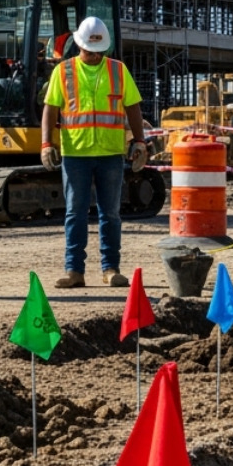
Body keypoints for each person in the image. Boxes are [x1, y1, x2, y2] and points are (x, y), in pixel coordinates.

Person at [40, 16, 149, 289]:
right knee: (75, 213)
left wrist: (140, 142)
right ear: (79, 45)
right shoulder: (63, 72)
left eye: (98, 51)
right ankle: (74, 270)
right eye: (89, 50)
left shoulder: (118, 70)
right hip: (75, 153)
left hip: (110, 153)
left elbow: (132, 106)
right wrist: (46, 143)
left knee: (110, 213)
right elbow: (50, 109)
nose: (93, 55)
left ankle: (110, 268)